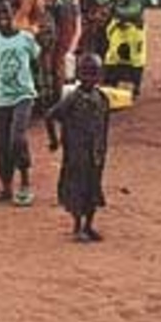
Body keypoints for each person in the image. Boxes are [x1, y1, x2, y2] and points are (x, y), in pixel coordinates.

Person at [45, 54, 110, 242]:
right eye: (86, 73)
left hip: (95, 154)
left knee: (93, 188)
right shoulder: (73, 98)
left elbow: (104, 125)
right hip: (76, 154)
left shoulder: (102, 98)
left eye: (93, 73)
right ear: (78, 75)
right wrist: (54, 141)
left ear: (100, 75)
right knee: (77, 189)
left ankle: (88, 225)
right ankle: (77, 226)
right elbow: (50, 116)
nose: (89, 78)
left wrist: (102, 147)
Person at [0, 0, 41, 206]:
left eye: (6, 13)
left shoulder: (26, 38)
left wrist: (39, 88)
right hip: (1, 98)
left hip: (23, 95)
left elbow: (36, 62)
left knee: (17, 139)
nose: (3, 18)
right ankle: (6, 187)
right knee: (1, 146)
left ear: (13, 14)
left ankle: (25, 182)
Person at [104, 0, 151, 98]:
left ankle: (112, 86)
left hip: (117, 25)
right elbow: (146, 2)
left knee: (113, 55)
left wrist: (117, 11)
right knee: (137, 57)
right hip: (135, 25)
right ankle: (135, 88)